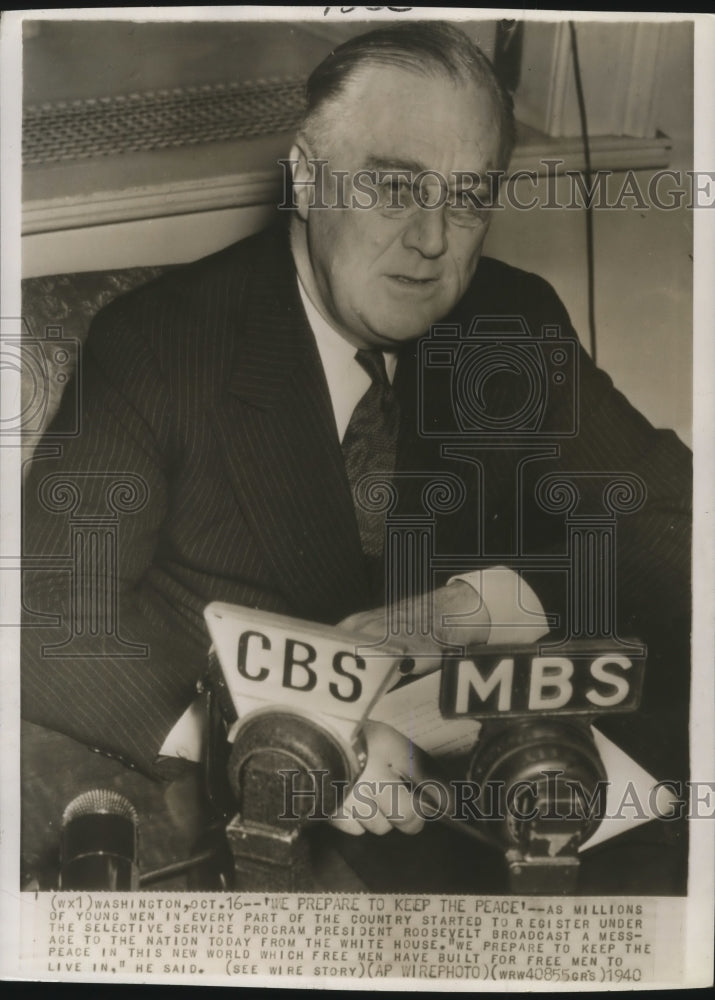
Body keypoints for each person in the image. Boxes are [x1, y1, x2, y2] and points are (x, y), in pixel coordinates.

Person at [21, 23, 691, 888]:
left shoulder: (510, 322)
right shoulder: (163, 342)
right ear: (305, 176)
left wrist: (471, 608)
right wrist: (287, 741)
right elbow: (44, 609)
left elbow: (672, 523)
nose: (432, 239)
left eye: (467, 196)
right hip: (273, 799)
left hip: (506, 770)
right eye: (393, 186)